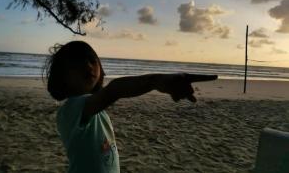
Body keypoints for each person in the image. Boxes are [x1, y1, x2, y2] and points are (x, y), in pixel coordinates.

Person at [44, 40, 217, 173]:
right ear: (61, 75)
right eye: (77, 61)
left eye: (91, 59)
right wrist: (155, 81)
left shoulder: (95, 107)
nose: (88, 65)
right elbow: (115, 90)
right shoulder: (70, 110)